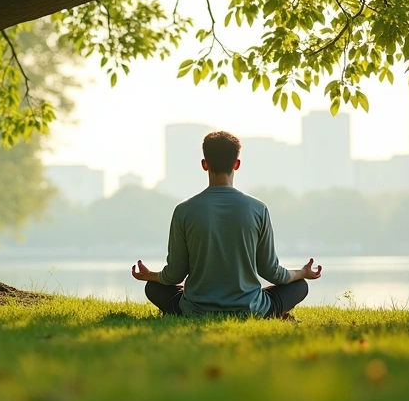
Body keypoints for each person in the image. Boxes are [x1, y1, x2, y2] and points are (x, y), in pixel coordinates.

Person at [131, 130, 322, 319]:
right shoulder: (258, 209)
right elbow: (272, 273)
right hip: (250, 309)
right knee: (300, 286)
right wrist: (302, 272)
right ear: (237, 164)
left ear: (204, 164)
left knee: (153, 287)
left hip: (196, 310)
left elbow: (174, 275)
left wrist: (150, 275)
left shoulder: (184, 211)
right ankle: (271, 313)